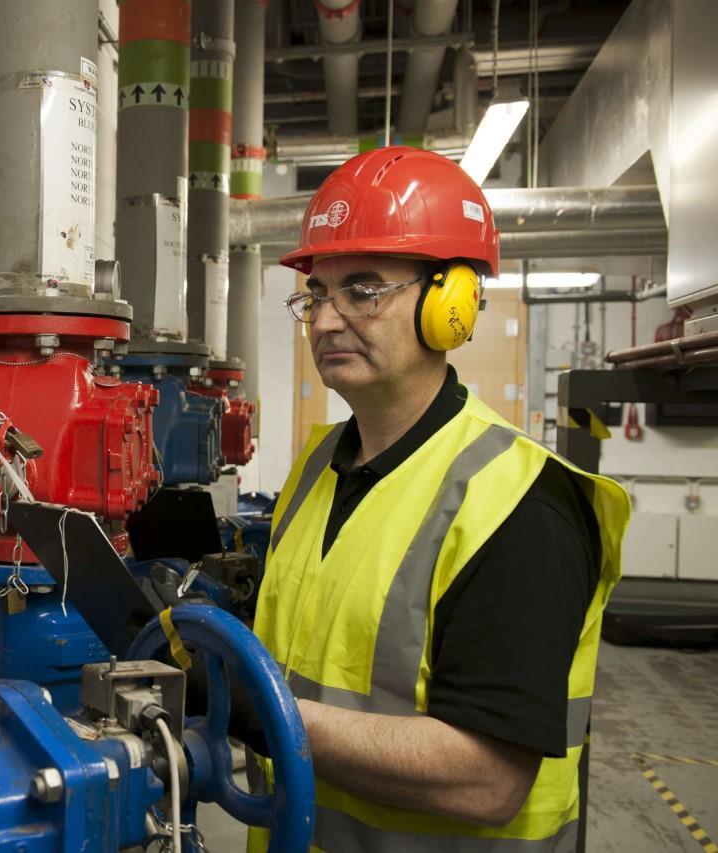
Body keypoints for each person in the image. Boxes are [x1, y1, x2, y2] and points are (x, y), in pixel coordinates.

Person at [247, 147, 631, 852]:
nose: (327, 321)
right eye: (316, 294)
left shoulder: (519, 503)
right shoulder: (315, 467)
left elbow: (488, 779)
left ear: (450, 304)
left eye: (362, 289)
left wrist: (259, 710)